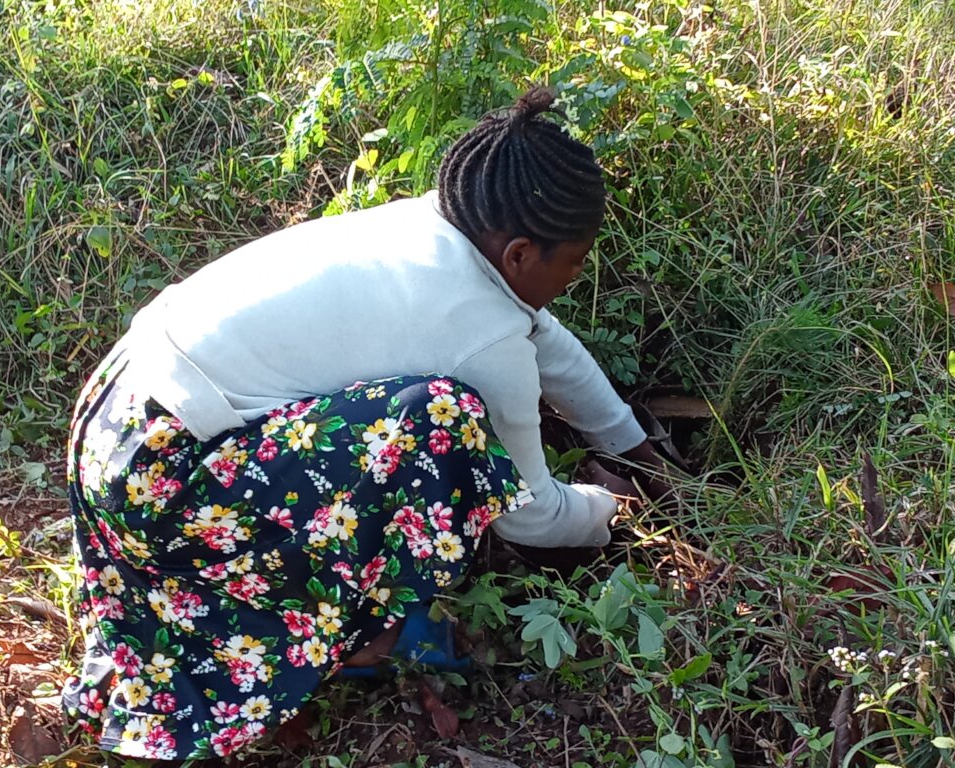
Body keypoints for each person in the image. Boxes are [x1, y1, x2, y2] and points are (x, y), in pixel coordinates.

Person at [62, 86, 672, 762]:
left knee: (415, 416)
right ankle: (353, 635)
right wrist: (612, 505)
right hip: (163, 484)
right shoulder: (482, 336)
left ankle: (342, 612)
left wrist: (635, 445)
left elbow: (546, 341)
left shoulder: (434, 226)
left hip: (111, 419)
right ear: (522, 254)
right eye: (576, 259)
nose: (578, 274)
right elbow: (531, 517)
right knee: (440, 418)